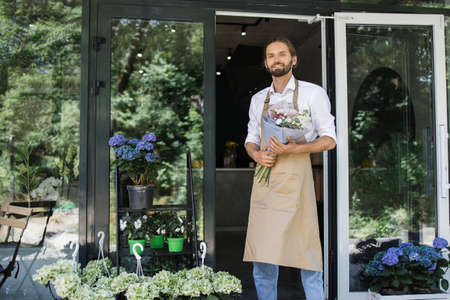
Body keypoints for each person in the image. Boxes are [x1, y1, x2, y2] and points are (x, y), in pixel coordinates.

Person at [243, 37, 337, 300]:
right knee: (263, 256)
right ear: (266, 63)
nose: (276, 59)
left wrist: (292, 150)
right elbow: (250, 139)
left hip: (297, 181)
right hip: (267, 181)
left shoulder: (312, 93)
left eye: (282, 54)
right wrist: (258, 155)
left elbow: (330, 139)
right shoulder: (258, 99)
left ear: (293, 59)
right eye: (271, 55)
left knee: (306, 254)